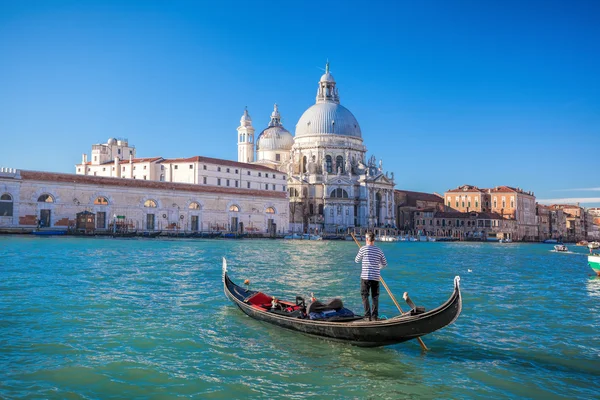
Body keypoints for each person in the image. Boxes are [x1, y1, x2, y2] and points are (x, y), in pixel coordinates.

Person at [354, 231, 388, 320]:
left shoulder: (363, 249)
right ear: (374, 240)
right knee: (375, 297)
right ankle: (374, 316)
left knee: (365, 296)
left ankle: (367, 316)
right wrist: (378, 267)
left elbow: (356, 260)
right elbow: (384, 264)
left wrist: (362, 255)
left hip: (365, 276)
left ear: (366, 239)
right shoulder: (379, 250)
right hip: (376, 277)